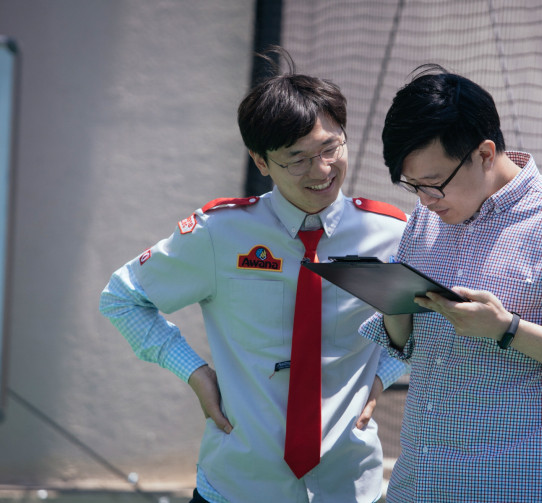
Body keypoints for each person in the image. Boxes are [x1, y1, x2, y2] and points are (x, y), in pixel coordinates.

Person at [99, 50, 408, 503]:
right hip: (237, 485)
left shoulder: (392, 234)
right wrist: (194, 372)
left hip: (349, 484)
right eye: (296, 159)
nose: (321, 170)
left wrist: (381, 376)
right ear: (260, 161)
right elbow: (122, 298)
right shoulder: (218, 233)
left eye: (330, 148)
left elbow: (431, 321)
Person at [359, 65, 542, 502]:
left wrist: (507, 330)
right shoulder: (425, 221)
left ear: (485, 154)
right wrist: (393, 300)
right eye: (413, 186)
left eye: (433, 184)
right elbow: (410, 348)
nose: (425, 202)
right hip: (416, 485)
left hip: (509, 488)